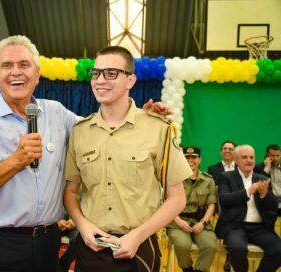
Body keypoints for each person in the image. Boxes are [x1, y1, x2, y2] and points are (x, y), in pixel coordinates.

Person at [0, 35, 171, 272]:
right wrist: (14, 162)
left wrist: (138, 117)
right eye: (7, 66)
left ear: (37, 75)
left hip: (48, 243)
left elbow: (101, 129)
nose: (16, 72)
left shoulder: (56, 113)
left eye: (24, 65)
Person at [63, 45, 192, 272]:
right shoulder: (80, 132)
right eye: (96, 73)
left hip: (139, 248)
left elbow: (177, 198)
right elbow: (71, 193)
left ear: (130, 81)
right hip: (91, 248)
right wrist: (82, 225)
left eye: (111, 73)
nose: (100, 80)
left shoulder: (158, 129)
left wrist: (137, 236)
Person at [215, 144, 281, 272]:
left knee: (279, 250)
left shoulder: (263, 179)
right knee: (237, 249)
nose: (249, 160)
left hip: (260, 228)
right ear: (236, 160)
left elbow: (273, 206)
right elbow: (224, 199)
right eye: (244, 157)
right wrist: (248, 191)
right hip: (235, 226)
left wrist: (264, 194)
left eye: (251, 157)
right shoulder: (225, 177)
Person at [167, 146, 217, 272]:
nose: (190, 160)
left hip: (200, 222)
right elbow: (167, 204)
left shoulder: (208, 180)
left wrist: (203, 222)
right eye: (187, 157)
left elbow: (212, 204)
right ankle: (187, 269)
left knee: (210, 245)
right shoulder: (174, 179)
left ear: (199, 159)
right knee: (182, 245)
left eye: (194, 157)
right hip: (178, 221)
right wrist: (179, 222)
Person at [207, 140, 236, 271]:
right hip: (220, 205)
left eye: (230, 149)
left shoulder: (241, 167)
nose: (227, 151)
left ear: (235, 152)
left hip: (238, 205)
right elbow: (213, 190)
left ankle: (231, 254)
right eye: (225, 148)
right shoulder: (213, 169)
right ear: (221, 152)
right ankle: (231, 254)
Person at [254, 144, 281, 212]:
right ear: (267, 155)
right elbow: (260, 184)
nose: (275, 158)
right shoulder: (258, 167)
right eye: (272, 156)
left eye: (277, 155)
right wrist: (267, 168)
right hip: (269, 202)